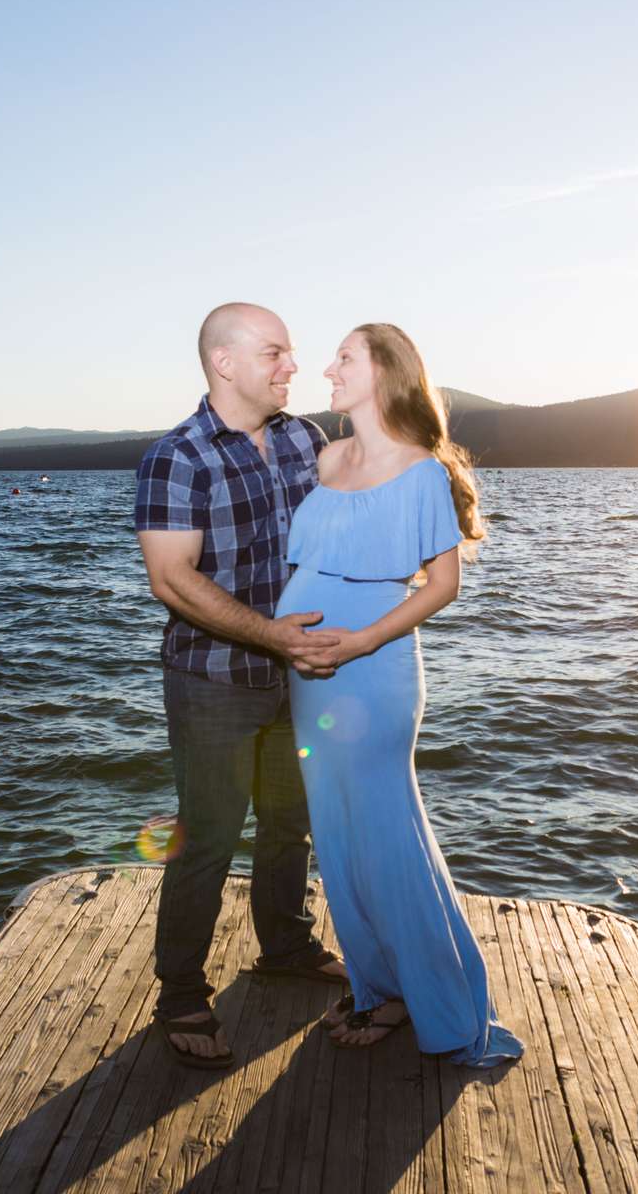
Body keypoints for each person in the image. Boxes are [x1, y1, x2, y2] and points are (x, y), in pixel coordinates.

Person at [276, 323, 523, 1066]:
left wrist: (360, 641)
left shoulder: (419, 473)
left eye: (344, 358)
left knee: (387, 834)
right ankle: (377, 987)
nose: (327, 368)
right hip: (305, 666)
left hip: (372, 667)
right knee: (338, 833)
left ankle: (438, 1001)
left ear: (384, 373)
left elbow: (442, 585)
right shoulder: (324, 457)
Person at [134, 302, 349, 1069]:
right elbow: (170, 579)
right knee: (208, 838)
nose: (292, 366)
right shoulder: (178, 457)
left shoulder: (304, 438)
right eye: (275, 353)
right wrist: (272, 636)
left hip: (300, 680)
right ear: (224, 363)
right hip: (214, 682)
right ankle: (182, 991)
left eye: (290, 353)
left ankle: (285, 946)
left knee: (290, 823)